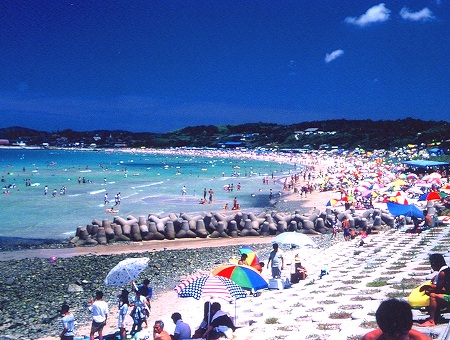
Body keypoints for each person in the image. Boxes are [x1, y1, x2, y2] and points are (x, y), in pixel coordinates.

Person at [362, 299, 430, 339]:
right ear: (382, 328)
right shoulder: (370, 338)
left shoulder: (421, 338)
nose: (396, 338)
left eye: (401, 334)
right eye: (391, 334)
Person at [418, 253, 450, 327]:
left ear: (435, 264)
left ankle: (431, 320)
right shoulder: (447, 270)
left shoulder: (442, 273)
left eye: (431, 264)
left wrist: (427, 288)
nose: (431, 266)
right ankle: (437, 315)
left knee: (433, 296)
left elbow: (438, 290)